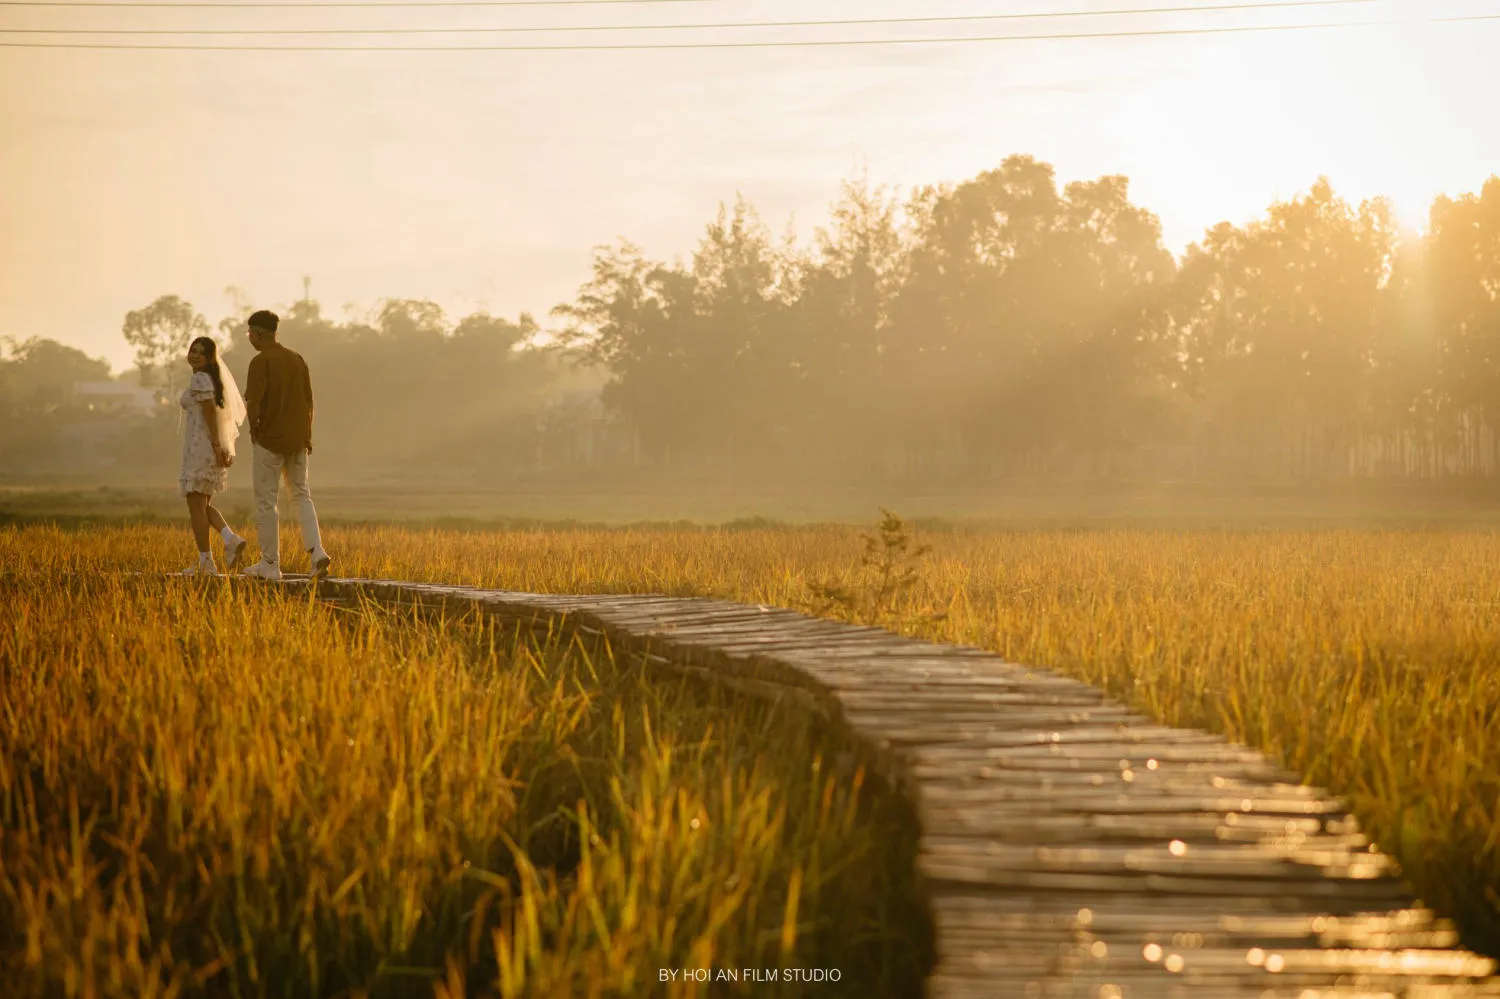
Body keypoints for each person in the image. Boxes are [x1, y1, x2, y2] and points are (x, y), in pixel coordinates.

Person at [240, 309, 332, 581]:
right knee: (301, 495)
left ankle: (270, 563)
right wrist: (306, 435)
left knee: (267, 502)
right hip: (298, 439)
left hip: (270, 440)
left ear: (256, 333)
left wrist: (254, 431)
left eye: (249, 334)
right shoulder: (297, 360)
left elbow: (253, 402)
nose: (250, 338)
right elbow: (309, 402)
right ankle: (317, 553)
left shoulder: (260, 361)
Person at [178, 336, 249, 576]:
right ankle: (230, 538)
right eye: (193, 350)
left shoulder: (200, 379)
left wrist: (218, 446)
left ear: (209, 358)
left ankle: (205, 562)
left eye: (201, 352)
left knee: (194, 504)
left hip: (201, 448)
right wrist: (219, 446)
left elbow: (210, 412)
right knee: (203, 504)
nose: (195, 355)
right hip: (207, 447)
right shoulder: (211, 380)